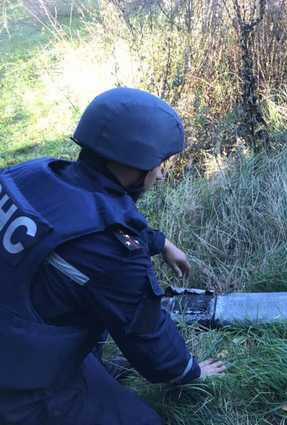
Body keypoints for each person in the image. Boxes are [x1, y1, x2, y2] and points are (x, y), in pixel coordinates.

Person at [0, 87, 225, 425]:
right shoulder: (115, 253)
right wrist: (189, 371)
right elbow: (149, 338)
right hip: (19, 386)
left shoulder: (30, 175)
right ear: (133, 165)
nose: (162, 174)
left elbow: (80, 225)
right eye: (159, 164)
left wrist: (160, 243)